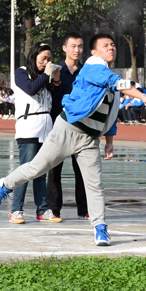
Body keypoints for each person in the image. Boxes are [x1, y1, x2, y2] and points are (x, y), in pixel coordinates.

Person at [0, 33, 146, 246]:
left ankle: (100, 228)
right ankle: (5, 185)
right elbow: (116, 82)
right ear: (94, 52)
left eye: (113, 45)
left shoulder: (112, 80)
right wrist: (141, 95)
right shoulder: (93, 66)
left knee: (94, 184)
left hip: (89, 138)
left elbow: (111, 114)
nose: (111, 48)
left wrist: (110, 141)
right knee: (36, 168)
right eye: (105, 45)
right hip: (67, 128)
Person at [9, 42, 60, 224]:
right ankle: (16, 209)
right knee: (26, 170)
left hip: (46, 130)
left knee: (41, 171)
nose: (46, 62)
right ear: (34, 56)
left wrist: (55, 80)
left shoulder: (45, 77)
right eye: (43, 58)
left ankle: (43, 209)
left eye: (49, 59)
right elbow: (30, 89)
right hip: (29, 128)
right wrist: (46, 75)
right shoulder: (21, 72)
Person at [47, 32, 88, 220]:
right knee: (54, 171)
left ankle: (84, 209)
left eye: (80, 46)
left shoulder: (87, 72)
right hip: (58, 128)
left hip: (81, 128)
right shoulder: (55, 71)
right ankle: (54, 209)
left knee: (83, 171)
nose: (77, 50)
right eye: (73, 46)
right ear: (64, 48)